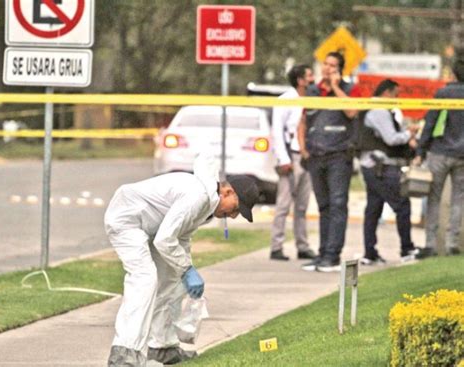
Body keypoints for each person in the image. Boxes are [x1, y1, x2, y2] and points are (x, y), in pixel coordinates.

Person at [105, 153, 259, 366]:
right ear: (227, 191)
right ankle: (123, 353)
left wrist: (185, 270)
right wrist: (187, 270)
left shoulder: (206, 205)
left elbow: (181, 237)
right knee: (144, 279)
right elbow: (165, 239)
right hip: (127, 220)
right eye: (235, 208)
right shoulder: (198, 196)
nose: (232, 216)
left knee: (171, 281)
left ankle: (162, 349)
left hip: (151, 226)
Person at [298, 51, 361, 272]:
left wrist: (336, 88)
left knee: (337, 205)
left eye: (332, 65)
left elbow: (352, 111)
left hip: (339, 156)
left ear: (340, 69)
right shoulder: (313, 90)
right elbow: (304, 120)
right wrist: (303, 149)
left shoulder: (349, 89)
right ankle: (322, 253)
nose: (327, 68)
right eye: (325, 64)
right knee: (323, 206)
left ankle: (333, 256)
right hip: (316, 156)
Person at [357, 79, 423, 264]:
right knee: (402, 205)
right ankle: (407, 249)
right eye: (396, 94)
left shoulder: (378, 109)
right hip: (381, 168)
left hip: (374, 167)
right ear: (387, 93)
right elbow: (392, 139)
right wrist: (409, 134)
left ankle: (370, 253)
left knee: (373, 210)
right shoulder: (379, 111)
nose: (397, 98)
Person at [414, 59, 464, 258]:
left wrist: (420, 151)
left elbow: (430, 122)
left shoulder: (444, 93)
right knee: (458, 199)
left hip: (440, 152)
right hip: (462, 155)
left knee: (433, 198)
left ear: (453, 75)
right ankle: (453, 243)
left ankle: (431, 245)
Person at [270, 64, 316, 261]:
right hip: (291, 154)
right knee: (283, 204)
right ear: (300, 80)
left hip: (306, 156)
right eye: (309, 75)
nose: (313, 79)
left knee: (302, 206)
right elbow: (277, 130)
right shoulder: (286, 100)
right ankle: (276, 246)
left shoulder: (312, 99)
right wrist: (283, 158)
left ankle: (302, 245)